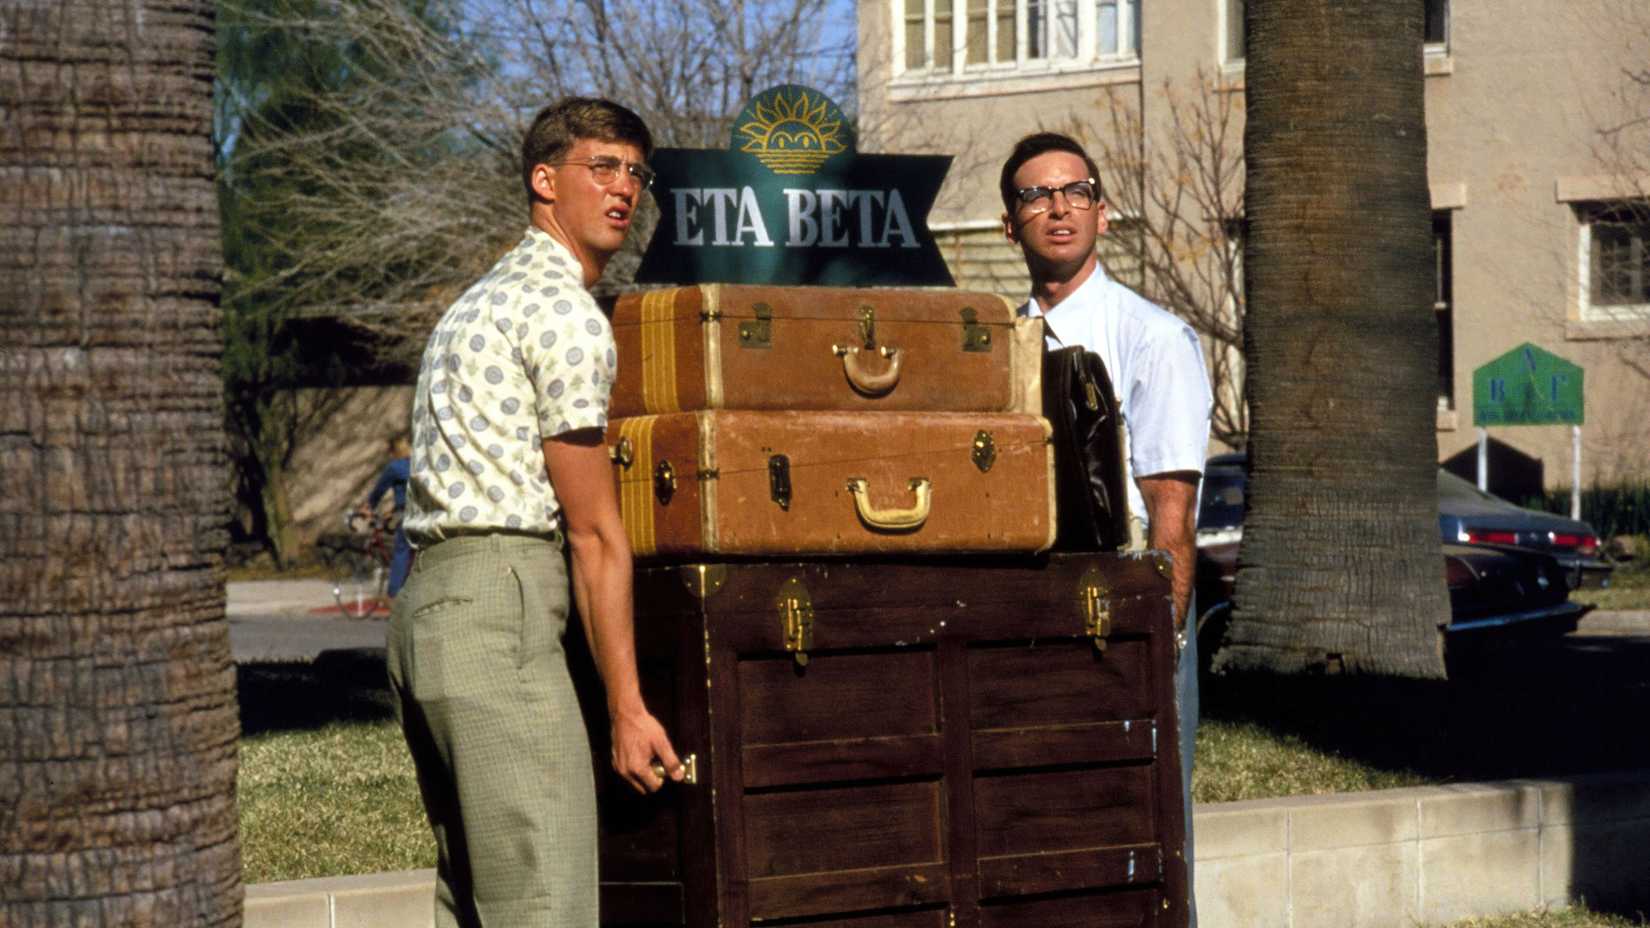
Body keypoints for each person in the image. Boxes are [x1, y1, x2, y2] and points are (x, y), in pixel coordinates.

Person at [388, 97, 682, 928]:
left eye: (635, 171)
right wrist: (627, 708)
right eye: (603, 166)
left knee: (477, 905)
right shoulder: (562, 312)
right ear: (544, 180)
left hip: (426, 615)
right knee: (543, 904)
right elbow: (592, 533)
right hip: (499, 604)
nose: (624, 187)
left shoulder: (477, 301)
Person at [1000, 131, 1213, 923]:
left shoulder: (1153, 337)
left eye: (1076, 191)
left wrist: (1156, 646)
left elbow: (1171, 516)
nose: (1058, 207)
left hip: (1127, 607)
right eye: (1036, 195)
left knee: (1146, 826)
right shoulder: (998, 341)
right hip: (1029, 606)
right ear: (1008, 223)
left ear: (1104, 211)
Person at [359, 434, 412, 597]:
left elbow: (379, 490)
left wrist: (368, 507)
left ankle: (393, 595)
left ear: (394, 451)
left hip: (406, 515)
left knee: (401, 551)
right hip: (421, 512)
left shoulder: (395, 467)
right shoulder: (418, 464)